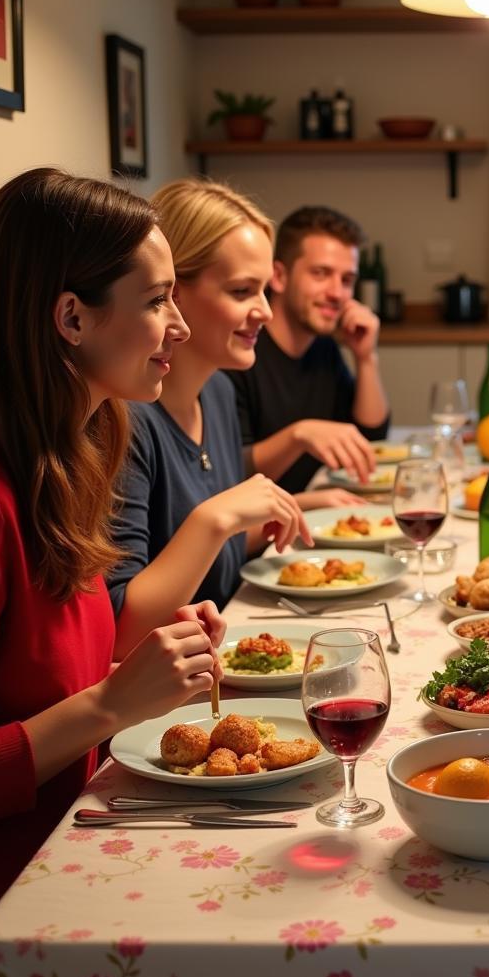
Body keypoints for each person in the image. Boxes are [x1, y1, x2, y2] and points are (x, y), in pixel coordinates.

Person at [0, 169, 223, 921]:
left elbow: (48, 685)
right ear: (71, 318)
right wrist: (113, 700)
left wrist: (150, 670)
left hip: (84, 846)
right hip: (16, 904)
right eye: (156, 301)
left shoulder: (74, 456)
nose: (178, 327)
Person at [108, 180, 312, 658]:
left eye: (265, 288)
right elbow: (120, 628)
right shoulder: (124, 422)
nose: (264, 310)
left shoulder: (216, 390)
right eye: (242, 290)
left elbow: (211, 564)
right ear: (171, 291)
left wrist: (297, 509)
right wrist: (218, 518)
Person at [226, 205, 391, 496]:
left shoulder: (322, 347)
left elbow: (370, 439)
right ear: (278, 276)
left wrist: (366, 358)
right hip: (259, 533)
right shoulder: (239, 348)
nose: (337, 292)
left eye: (347, 280)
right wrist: (298, 436)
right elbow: (231, 471)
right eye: (321, 273)